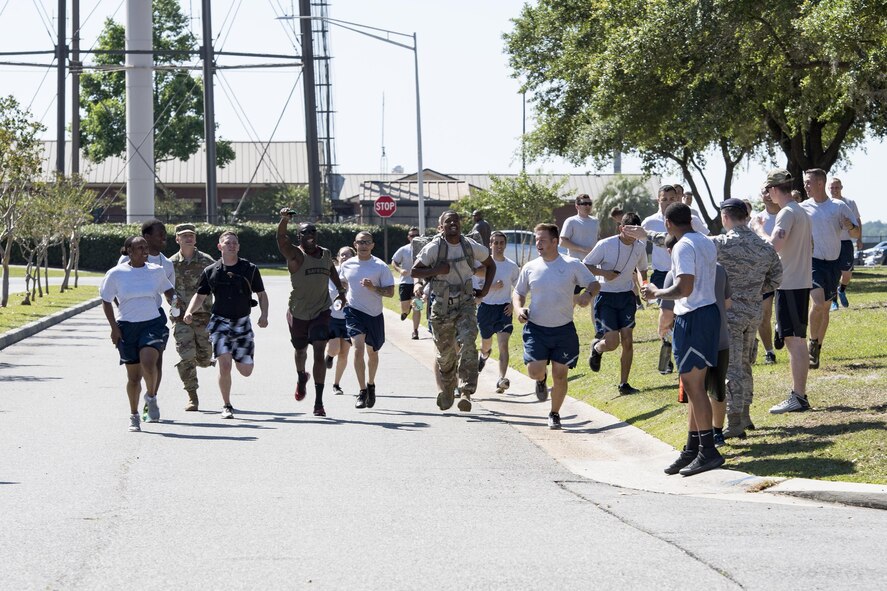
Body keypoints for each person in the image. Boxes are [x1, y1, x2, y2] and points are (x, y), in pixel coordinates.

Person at [640, 203, 723, 476]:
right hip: (706, 314)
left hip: (694, 316)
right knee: (692, 385)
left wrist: (656, 292)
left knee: (693, 386)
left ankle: (708, 451)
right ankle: (692, 449)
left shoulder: (683, 246)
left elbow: (685, 287)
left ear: (667, 223)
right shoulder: (705, 241)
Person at [513, 223, 599, 429]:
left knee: (560, 374)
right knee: (534, 371)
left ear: (554, 242)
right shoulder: (530, 267)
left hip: (563, 329)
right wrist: (519, 310)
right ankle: (541, 380)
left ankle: (554, 413)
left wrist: (587, 295)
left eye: (542, 240)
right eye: (536, 240)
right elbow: (518, 293)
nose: (538, 243)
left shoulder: (572, 264)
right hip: (536, 328)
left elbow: (594, 283)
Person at [711, 199, 782, 438]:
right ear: (745, 216)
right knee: (745, 365)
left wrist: (646, 235)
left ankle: (734, 422)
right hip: (753, 312)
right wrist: (756, 290)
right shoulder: (763, 245)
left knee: (732, 368)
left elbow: (685, 243)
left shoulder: (721, 244)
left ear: (725, 217)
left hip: (730, 314)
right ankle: (746, 415)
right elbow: (777, 277)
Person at [412, 211, 495, 413]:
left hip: (466, 303)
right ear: (441, 226)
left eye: (455, 220)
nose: (452, 224)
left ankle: (466, 391)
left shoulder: (470, 246)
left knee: (468, 341)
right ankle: (448, 389)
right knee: (445, 354)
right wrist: (436, 271)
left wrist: (483, 291)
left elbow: (490, 264)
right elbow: (415, 271)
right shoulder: (435, 248)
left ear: (460, 224)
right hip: (441, 306)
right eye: (448, 221)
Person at [183, 231, 269, 420]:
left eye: (235, 243)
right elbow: (200, 295)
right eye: (227, 243)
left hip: (242, 323)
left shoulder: (250, 269)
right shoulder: (211, 271)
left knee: (245, 371)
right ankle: (227, 404)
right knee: (225, 366)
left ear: (238, 247)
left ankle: (240, 356)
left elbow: (261, 294)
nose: (231, 245)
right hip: (220, 322)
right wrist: (190, 311)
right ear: (219, 246)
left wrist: (264, 315)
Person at [101, 236, 176, 432]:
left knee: (149, 362)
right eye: (140, 247)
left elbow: (169, 291)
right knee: (133, 377)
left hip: (151, 323)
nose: (145, 250)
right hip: (127, 327)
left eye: (146, 247)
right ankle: (134, 415)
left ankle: (151, 397)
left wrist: (176, 304)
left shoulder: (156, 271)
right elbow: (106, 300)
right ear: (128, 250)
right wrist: (114, 328)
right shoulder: (116, 274)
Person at [277, 213, 346, 417]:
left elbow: (331, 270)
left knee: (318, 352)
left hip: (321, 311)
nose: (310, 235)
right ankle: (301, 377)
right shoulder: (296, 256)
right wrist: (284, 221)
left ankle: (318, 402)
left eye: (312, 231)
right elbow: (281, 241)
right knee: (300, 352)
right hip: (298, 312)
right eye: (305, 232)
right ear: (298, 236)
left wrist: (341, 292)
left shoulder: (325, 254)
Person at [755, 169, 812, 414]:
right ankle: (799, 395)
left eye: (768, 191)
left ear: (775, 189)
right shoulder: (800, 210)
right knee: (795, 339)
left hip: (790, 284)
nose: (768, 196)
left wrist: (758, 229)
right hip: (798, 282)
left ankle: (798, 396)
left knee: (794, 341)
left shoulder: (787, 213)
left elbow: (773, 246)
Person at [800, 169, 860, 369]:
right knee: (817, 304)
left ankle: (817, 346)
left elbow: (856, 231)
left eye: (808, 182)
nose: (805, 186)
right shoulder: (803, 208)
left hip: (833, 263)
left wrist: (849, 226)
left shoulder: (838, 206)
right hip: (813, 262)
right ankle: (811, 342)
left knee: (825, 308)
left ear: (819, 183)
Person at [584, 212, 648, 395]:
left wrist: (644, 284)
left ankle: (624, 384)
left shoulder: (639, 247)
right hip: (605, 296)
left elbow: (642, 268)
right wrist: (605, 274)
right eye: (629, 231)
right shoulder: (605, 244)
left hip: (626, 296)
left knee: (628, 341)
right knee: (612, 343)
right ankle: (597, 348)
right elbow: (586, 264)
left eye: (636, 232)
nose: (633, 236)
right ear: (621, 228)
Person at [117, 218, 175, 414]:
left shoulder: (165, 264)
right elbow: (116, 290)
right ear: (147, 236)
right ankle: (138, 401)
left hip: (154, 316)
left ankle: (150, 401)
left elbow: (170, 293)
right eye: (160, 233)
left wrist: (178, 309)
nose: (164, 237)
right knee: (135, 370)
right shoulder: (126, 261)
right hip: (130, 318)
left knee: (154, 362)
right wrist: (123, 312)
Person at [339, 231, 395, 409]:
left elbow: (391, 292)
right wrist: (341, 295)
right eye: (360, 242)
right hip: (354, 312)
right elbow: (342, 283)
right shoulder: (347, 265)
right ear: (354, 244)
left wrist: (373, 288)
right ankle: (362, 391)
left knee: (373, 353)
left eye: (367, 242)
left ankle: (371, 384)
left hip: (374, 314)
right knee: (358, 348)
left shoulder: (379, 266)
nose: (363, 245)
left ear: (372, 245)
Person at [168, 223, 216, 411]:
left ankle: (201, 359)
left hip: (204, 317)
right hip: (180, 318)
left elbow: (218, 285)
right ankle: (192, 396)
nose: (188, 238)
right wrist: (175, 309)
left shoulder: (207, 261)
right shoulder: (170, 263)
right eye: (184, 235)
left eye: (191, 235)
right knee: (186, 356)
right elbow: (164, 289)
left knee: (204, 358)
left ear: (195, 239)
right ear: (177, 239)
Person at [476, 231, 520, 394]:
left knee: (503, 345)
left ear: (505, 245)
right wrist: (492, 287)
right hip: (486, 309)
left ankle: (501, 379)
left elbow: (519, 289)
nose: (499, 246)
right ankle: (483, 357)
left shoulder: (511, 266)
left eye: (502, 243)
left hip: (504, 309)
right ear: (490, 244)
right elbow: (476, 291)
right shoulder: (483, 266)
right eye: (496, 243)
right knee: (486, 345)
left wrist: (512, 304)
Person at [750, 187, 782, 365]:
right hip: (764, 273)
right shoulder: (756, 220)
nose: (768, 197)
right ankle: (769, 351)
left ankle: (780, 327)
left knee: (784, 313)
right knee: (764, 314)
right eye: (764, 193)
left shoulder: (786, 215)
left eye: (771, 193)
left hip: (788, 271)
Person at [828, 177, 863, 310]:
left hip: (846, 242)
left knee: (846, 274)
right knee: (833, 274)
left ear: (841, 188)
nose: (834, 190)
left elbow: (858, 221)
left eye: (837, 187)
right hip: (831, 242)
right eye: (832, 187)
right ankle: (833, 301)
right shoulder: (826, 204)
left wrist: (859, 238)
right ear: (828, 188)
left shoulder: (849, 202)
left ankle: (841, 289)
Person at [326, 247, 355, 396]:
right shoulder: (332, 272)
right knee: (335, 349)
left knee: (344, 354)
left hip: (350, 318)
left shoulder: (356, 272)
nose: (344, 257)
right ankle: (329, 356)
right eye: (342, 254)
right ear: (338, 257)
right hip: (332, 316)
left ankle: (336, 384)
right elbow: (328, 292)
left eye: (348, 254)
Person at [392, 227, 422, 340]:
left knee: (418, 307)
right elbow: (394, 261)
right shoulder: (403, 249)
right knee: (404, 308)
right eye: (412, 236)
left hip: (419, 283)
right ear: (408, 237)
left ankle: (415, 331)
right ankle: (406, 310)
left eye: (416, 235)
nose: (414, 237)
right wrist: (400, 270)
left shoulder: (424, 249)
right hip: (405, 283)